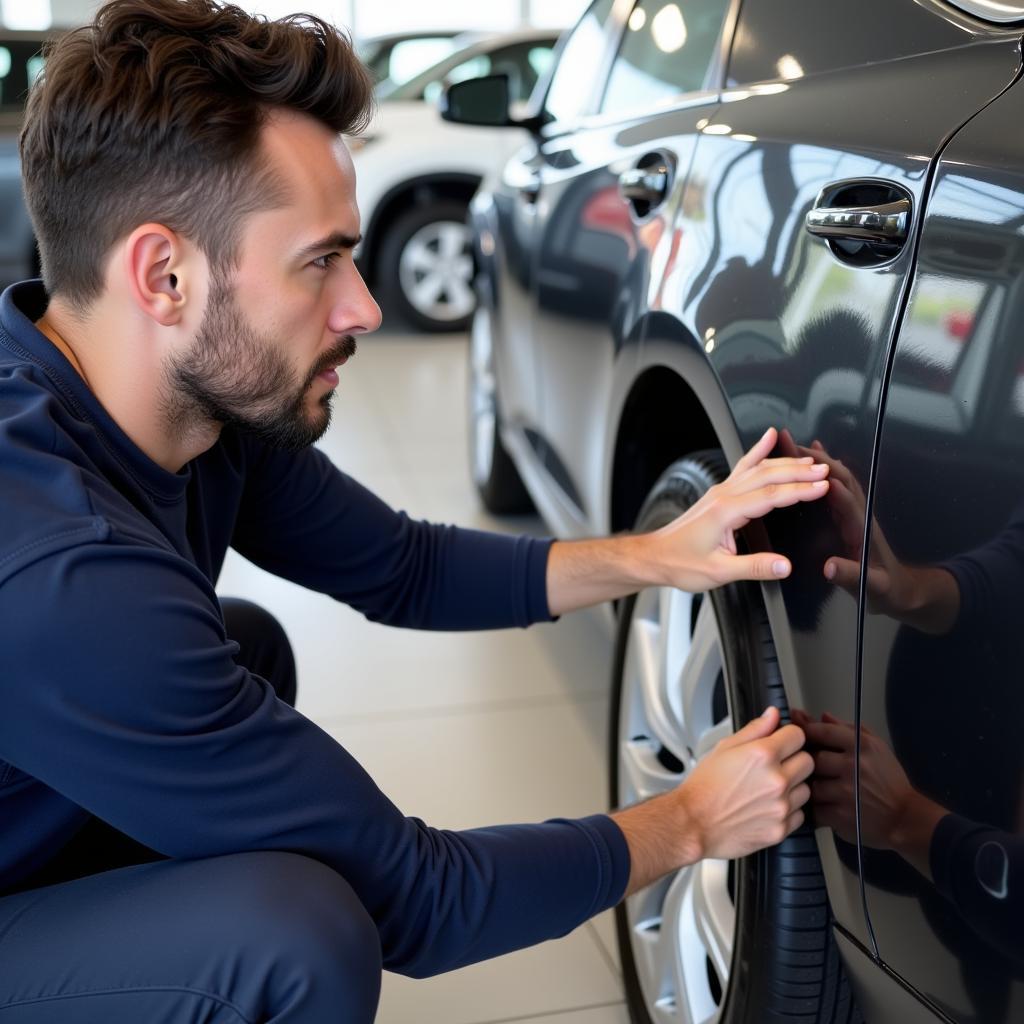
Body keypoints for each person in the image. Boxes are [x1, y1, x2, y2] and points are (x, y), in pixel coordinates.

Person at [0, 2, 829, 1021]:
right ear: (164, 275)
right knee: (293, 938)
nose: (364, 306)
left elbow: (401, 567)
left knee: (245, 648)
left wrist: (657, 555)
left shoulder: (181, 409)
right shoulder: (59, 570)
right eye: (321, 260)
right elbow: (421, 901)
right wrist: (690, 820)